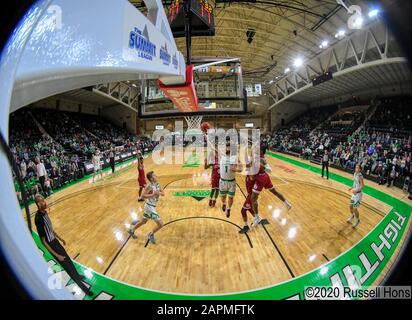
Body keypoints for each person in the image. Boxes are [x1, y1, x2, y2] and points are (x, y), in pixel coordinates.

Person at [34, 195, 93, 296]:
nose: (45, 202)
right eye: (42, 201)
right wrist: (57, 255)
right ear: (38, 204)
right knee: (68, 267)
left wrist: (60, 238)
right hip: (51, 245)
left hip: (55, 241)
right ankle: (84, 289)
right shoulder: (38, 218)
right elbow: (43, 241)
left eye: (44, 200)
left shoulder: (45, 212)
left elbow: (50, 228)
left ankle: (78, 276)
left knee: (69, 260)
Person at [128, 171, 164, 244]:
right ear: (151, 178)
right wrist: (153, 194)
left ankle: (132, 230)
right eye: (154, 175)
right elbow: (142, 196)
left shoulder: (157, 184)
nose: (156, 175)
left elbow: (163, 194)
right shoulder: (149, 186)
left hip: (152, 206)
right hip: (149, 207)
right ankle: (151, 234)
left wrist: (158, 193)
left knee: (143, 221)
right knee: (160, 224)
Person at [219, 143, 242, 218]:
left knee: (231, 197)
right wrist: (206, 136)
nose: (227, 149)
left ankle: (229, 208)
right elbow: (212, 147)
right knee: (223, 196)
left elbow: (240, 169)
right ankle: (224, 204)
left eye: (229, 148)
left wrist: (237, 169)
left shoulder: (234, 158)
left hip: (232, 181)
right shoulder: (221, 156)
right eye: (226, 148)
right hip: (222, 181)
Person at [347, 164, 364, 228]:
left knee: (355, 209)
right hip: (354, 194)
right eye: (355, 167)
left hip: (358, 195)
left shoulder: (360, 177)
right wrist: (351, 188)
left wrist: (356, 191)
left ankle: (357, 220)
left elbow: (362, 186)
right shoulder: (355, 174)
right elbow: (355, 183)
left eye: (357, 168)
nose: (356, 168)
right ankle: (352, 216)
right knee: (350, 206)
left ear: (360, 169)